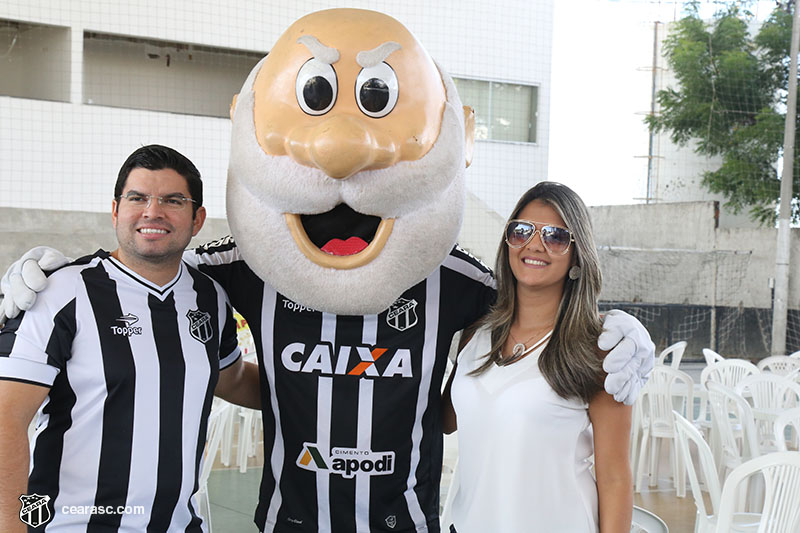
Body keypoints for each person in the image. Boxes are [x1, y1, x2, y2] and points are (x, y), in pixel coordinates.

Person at [0, 10, 653, 533]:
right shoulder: (252, 265)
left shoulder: (458, 281)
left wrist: (618, 325)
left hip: (408, 519)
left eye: (553, 236)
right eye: (140, 200)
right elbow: (151, 266)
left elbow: (533, 305)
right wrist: (52, 277)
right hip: (291, 517)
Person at [0, 145, 260, 532]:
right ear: (116, 210)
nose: (152, 212)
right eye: (137, 197)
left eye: (173, 200)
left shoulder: (209, 298)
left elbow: (233, 379)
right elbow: (7, 418)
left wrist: (321, 388)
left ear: (198, 218)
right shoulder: (60, 294)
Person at [442, 181, 633, 532]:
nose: (535, 244)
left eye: (555, 236)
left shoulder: (599, 349)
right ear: (508, 241)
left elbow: (615, 478)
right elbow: (446, 421)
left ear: (577, 256)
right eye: (522, 231)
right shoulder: (477, 335)